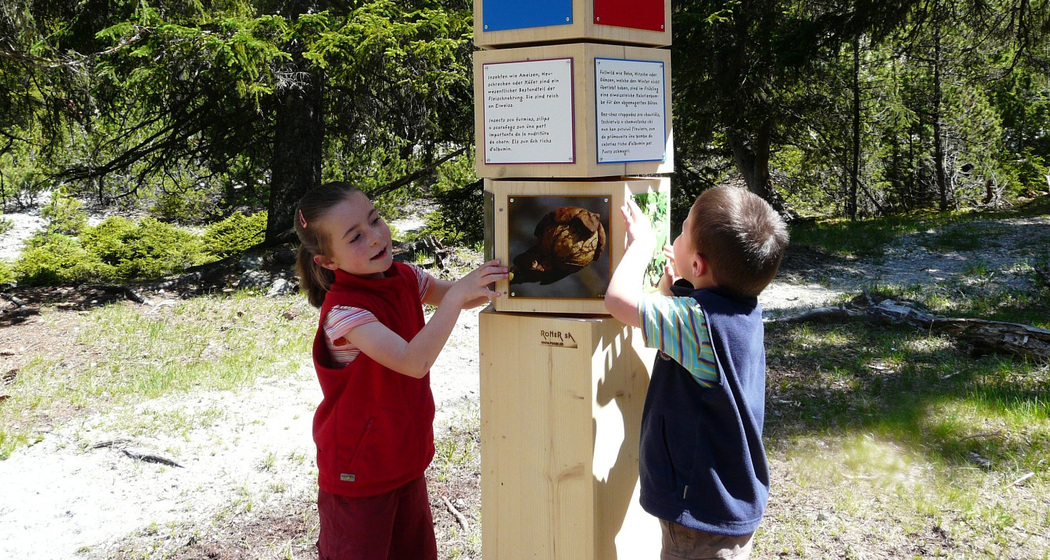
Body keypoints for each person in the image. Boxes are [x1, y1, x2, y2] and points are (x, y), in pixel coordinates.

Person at [293, 181, 507, 560]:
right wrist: (457, 296)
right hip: (358, 477)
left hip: (404, 461)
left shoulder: (405, 277)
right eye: (355, 237)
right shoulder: (345, 314)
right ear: (328, 262)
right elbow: (413, 361)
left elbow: (465, 294)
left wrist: (509, 271)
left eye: (375, 220)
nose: (375, 237)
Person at [605, 185, 789, 560]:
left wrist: (642, 244)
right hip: (723, 504)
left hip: (699, 519)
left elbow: (617, 301)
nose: (676, 234)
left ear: (698, 265)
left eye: (684, 229)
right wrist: (671, 286)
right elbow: (683, 324)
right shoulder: (739, 309)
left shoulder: (696, 324)